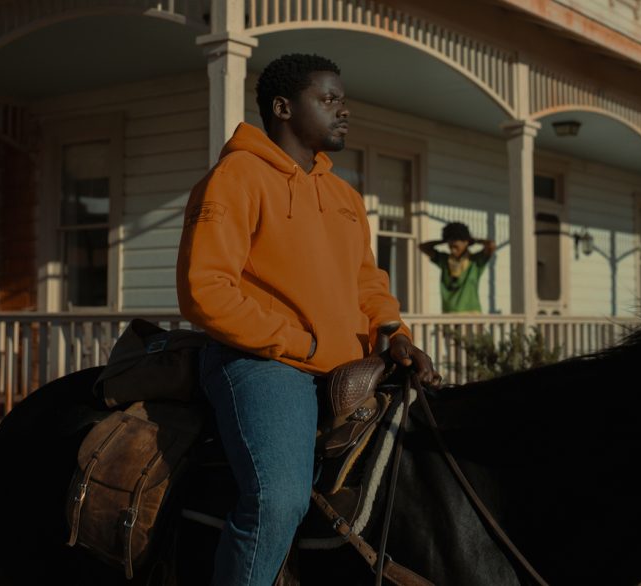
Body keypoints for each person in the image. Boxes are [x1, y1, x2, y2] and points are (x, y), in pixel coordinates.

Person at [176, 53, 439, 586]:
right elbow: (204, 291)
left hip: (349, 367)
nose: (344, 111)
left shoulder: (343, 196)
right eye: (328, 100)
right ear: (283, 108)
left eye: (342, 100)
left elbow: (367, 283)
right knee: (279, 501)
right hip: (264, 366)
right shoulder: (236, 177)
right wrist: (302, 342)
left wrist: (394, 335)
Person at [419, 222, 497, 314]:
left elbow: (491, 245)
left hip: (471, 314)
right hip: (449, 314)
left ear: (466, 243)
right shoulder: (444, 260)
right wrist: (444, 240)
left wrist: (472, 240)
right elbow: (422, 247)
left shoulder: (475, 261)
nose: (452, 250)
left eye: (456, 246)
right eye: (450, 246)